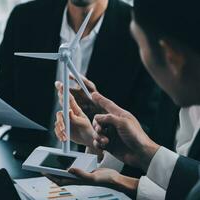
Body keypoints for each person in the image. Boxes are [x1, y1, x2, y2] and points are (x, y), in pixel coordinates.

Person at [0, 0, 158, 145]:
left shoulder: (142, 31)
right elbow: (3, 97)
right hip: (26, 163)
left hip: (105, 172)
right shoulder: (25, 19)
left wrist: (98, 114)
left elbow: (150, 127)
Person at [50, 0, 200, 199]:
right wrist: (131, 157)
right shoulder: (182, 100)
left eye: (139, 44)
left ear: (171, 57)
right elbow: (188, 182)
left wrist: (143, 154)